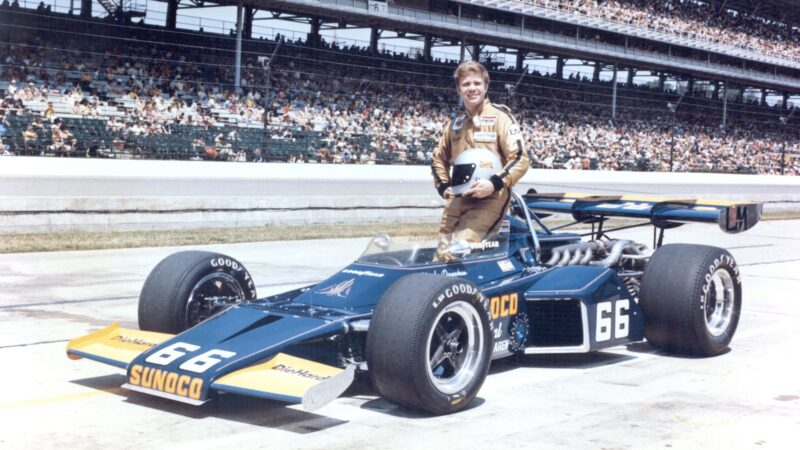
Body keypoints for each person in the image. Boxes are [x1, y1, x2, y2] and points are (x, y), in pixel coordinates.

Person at [430, 61, 529, 259]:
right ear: (458, 89)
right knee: (441, 255)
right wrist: (443, 186)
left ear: (486, 86)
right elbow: (438, 159)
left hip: (490, 198)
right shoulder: (455, 124)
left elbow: (520, 158)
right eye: (466, 84)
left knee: (461, 249)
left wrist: (493, 184)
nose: (472, 88)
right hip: (457, 198)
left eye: (477, 83)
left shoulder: (501, 117)